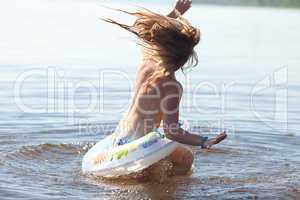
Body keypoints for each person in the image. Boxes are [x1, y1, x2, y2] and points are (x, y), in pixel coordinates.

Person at [103, 0, 227, 179]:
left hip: (120, 138)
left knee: (180, 157)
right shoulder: (172, 87)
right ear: (183, 62)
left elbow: (153, 33)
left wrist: (175, 13)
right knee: (186, 159)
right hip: (138, 146)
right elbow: (172, 131)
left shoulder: (147, 62)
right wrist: (203, 141)